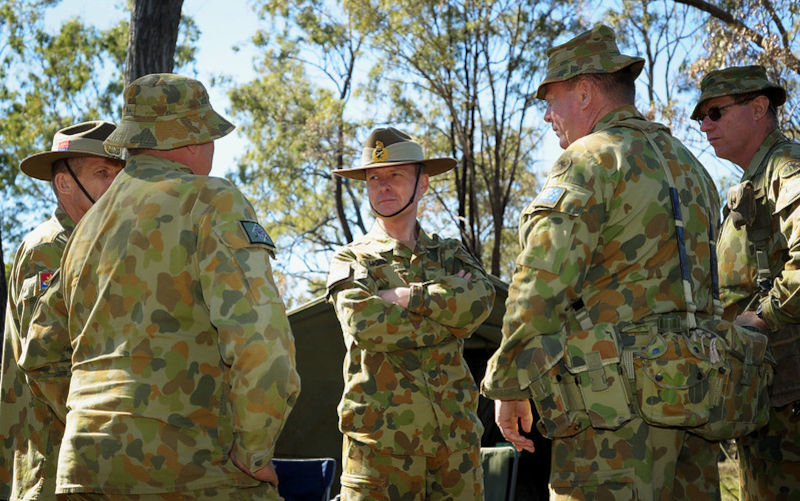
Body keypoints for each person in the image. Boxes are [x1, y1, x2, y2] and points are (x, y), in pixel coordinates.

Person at [20, 73, 300, 500]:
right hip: (188, 468)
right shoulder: (209, 200)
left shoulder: (83, 230)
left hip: (87, 470)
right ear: (191, 140)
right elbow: (263, 345)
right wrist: (253, 453)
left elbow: (40, 356)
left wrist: (99, 421)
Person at [481, 25, 725, 500]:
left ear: (586, 91)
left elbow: (540, 284)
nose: (548, 116)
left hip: (615, 420)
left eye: (551, 100)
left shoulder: (589, 160)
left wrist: (509, 382)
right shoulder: (690, 166)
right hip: (695, 407)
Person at [325, 127, 496, 500]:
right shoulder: (351, 259)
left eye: (395, 175)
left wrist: (406, 296)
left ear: (423, 185)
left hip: (454, 449)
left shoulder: (450, 254)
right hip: (379, 453)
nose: (383, 186)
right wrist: (450, 321)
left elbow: (481, 301)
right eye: (374, 178)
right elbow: (367, 325)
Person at [0, 121, 124, 500]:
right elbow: (47, 363)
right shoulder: (50, 249)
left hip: (87, 467)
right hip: (54, 469)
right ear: (64, 184)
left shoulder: (98, 242)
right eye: (102, 173)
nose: (115, 184)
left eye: (120, 173)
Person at [693, 64, 800, 500]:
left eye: (715, 112)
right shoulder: (754, 179)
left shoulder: (786, 167)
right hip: (769, 391)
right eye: (700, 117)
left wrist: (762, 318)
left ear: (759, 108)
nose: (704, 125)